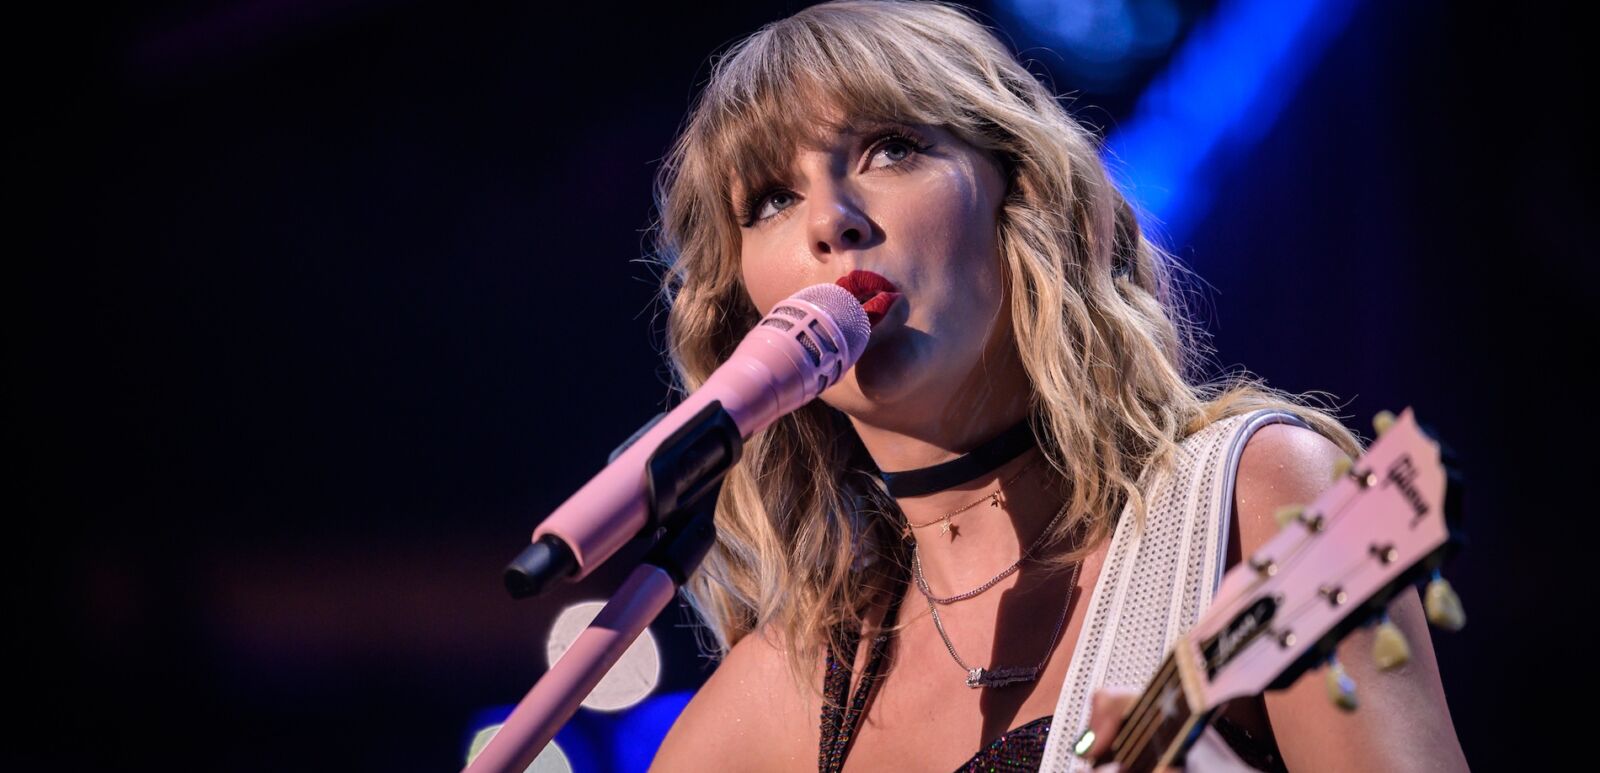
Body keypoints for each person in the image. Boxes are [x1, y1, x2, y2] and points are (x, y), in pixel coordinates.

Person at [646, 1, 1467, 770]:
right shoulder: (772, 702)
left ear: (1023, 191)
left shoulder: (1257, 497)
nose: (833, 219)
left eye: (892, 147)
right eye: (772, 199)